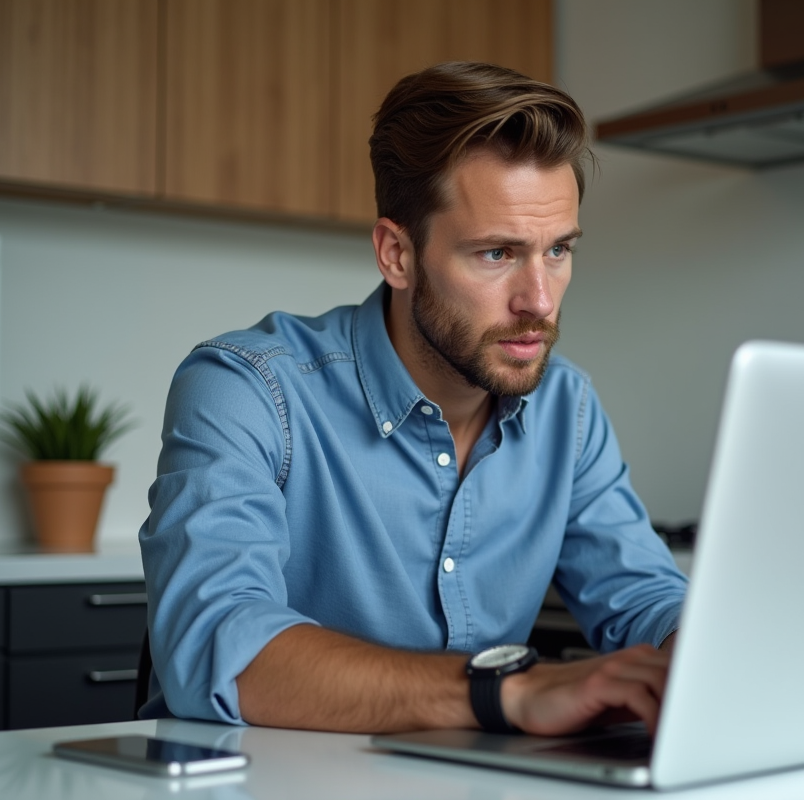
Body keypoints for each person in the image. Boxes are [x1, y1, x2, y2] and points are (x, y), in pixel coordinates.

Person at [138, 62, 687, 736]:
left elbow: (643, 598)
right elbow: (217, 642)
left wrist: (700, 645)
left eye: (558, 251)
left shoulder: (565, 409)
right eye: (496, 254)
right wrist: (503, 692)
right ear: (397, 254)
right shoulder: (248, 388)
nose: (539, 301)